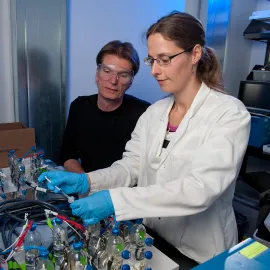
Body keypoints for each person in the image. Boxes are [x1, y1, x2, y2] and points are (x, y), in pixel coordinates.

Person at [39, 11, 251, 265]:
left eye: (164, 59)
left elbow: (199, 190)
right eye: (152, 60)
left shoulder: (228, 113)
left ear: (195, 54)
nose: (154, 71)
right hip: (152, 240)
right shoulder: (155, 112)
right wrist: (87, 182)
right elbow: (130, 167)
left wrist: (115, 200)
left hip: (201, 253)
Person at [59, 40, 150, 173]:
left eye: (123, 75)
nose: (113, 81)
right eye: (107, 71)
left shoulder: (144, 113)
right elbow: (67, 155)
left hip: (124, 192)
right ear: (97, 74)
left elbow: (143, 169)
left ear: (131, 81)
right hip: (87, 188)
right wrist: (85, 183)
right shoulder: (79, 107)